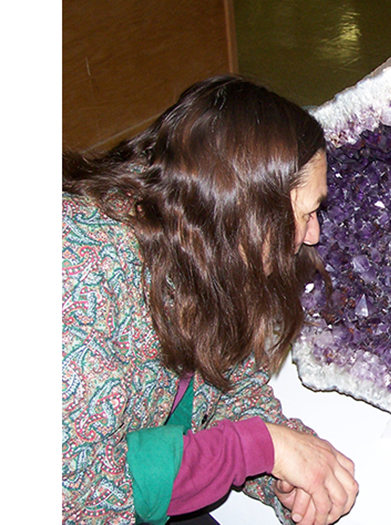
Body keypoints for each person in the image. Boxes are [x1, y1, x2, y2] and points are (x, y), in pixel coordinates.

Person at [62, 75, 358, 525]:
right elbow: (74, 490)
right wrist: (257, 448)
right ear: (245, 209)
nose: (314, 233)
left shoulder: (200, 242)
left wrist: (285, 470)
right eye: (306, 213)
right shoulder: (79, 278)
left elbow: (224, 384)